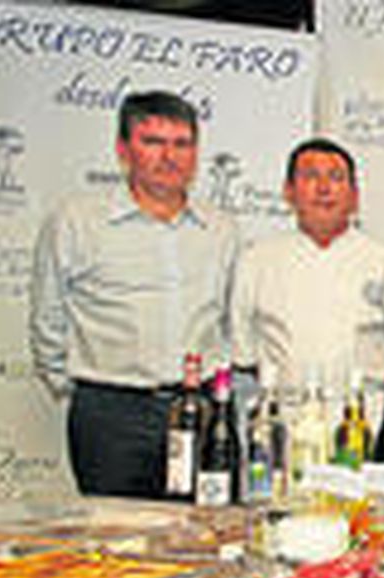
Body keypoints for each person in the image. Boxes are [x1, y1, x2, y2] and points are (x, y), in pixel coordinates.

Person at [29, 90, 239, 498]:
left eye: (182, 144)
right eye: (153, 142)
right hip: (112, 414)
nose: (169, 156)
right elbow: (47, 318)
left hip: (198, 410)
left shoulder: (221, 229)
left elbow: (229, 319)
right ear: (123, 150)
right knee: (115, 546)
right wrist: (89, 389)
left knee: (202, 540)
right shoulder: (76, 221)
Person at [232, 138, 384, 393]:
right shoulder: (256, 261)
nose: (324, 188)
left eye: (336, 177)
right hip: (282, 419)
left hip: (364, 419)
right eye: (311, 176)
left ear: (354, 197)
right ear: (289, 192)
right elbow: (243, 353)